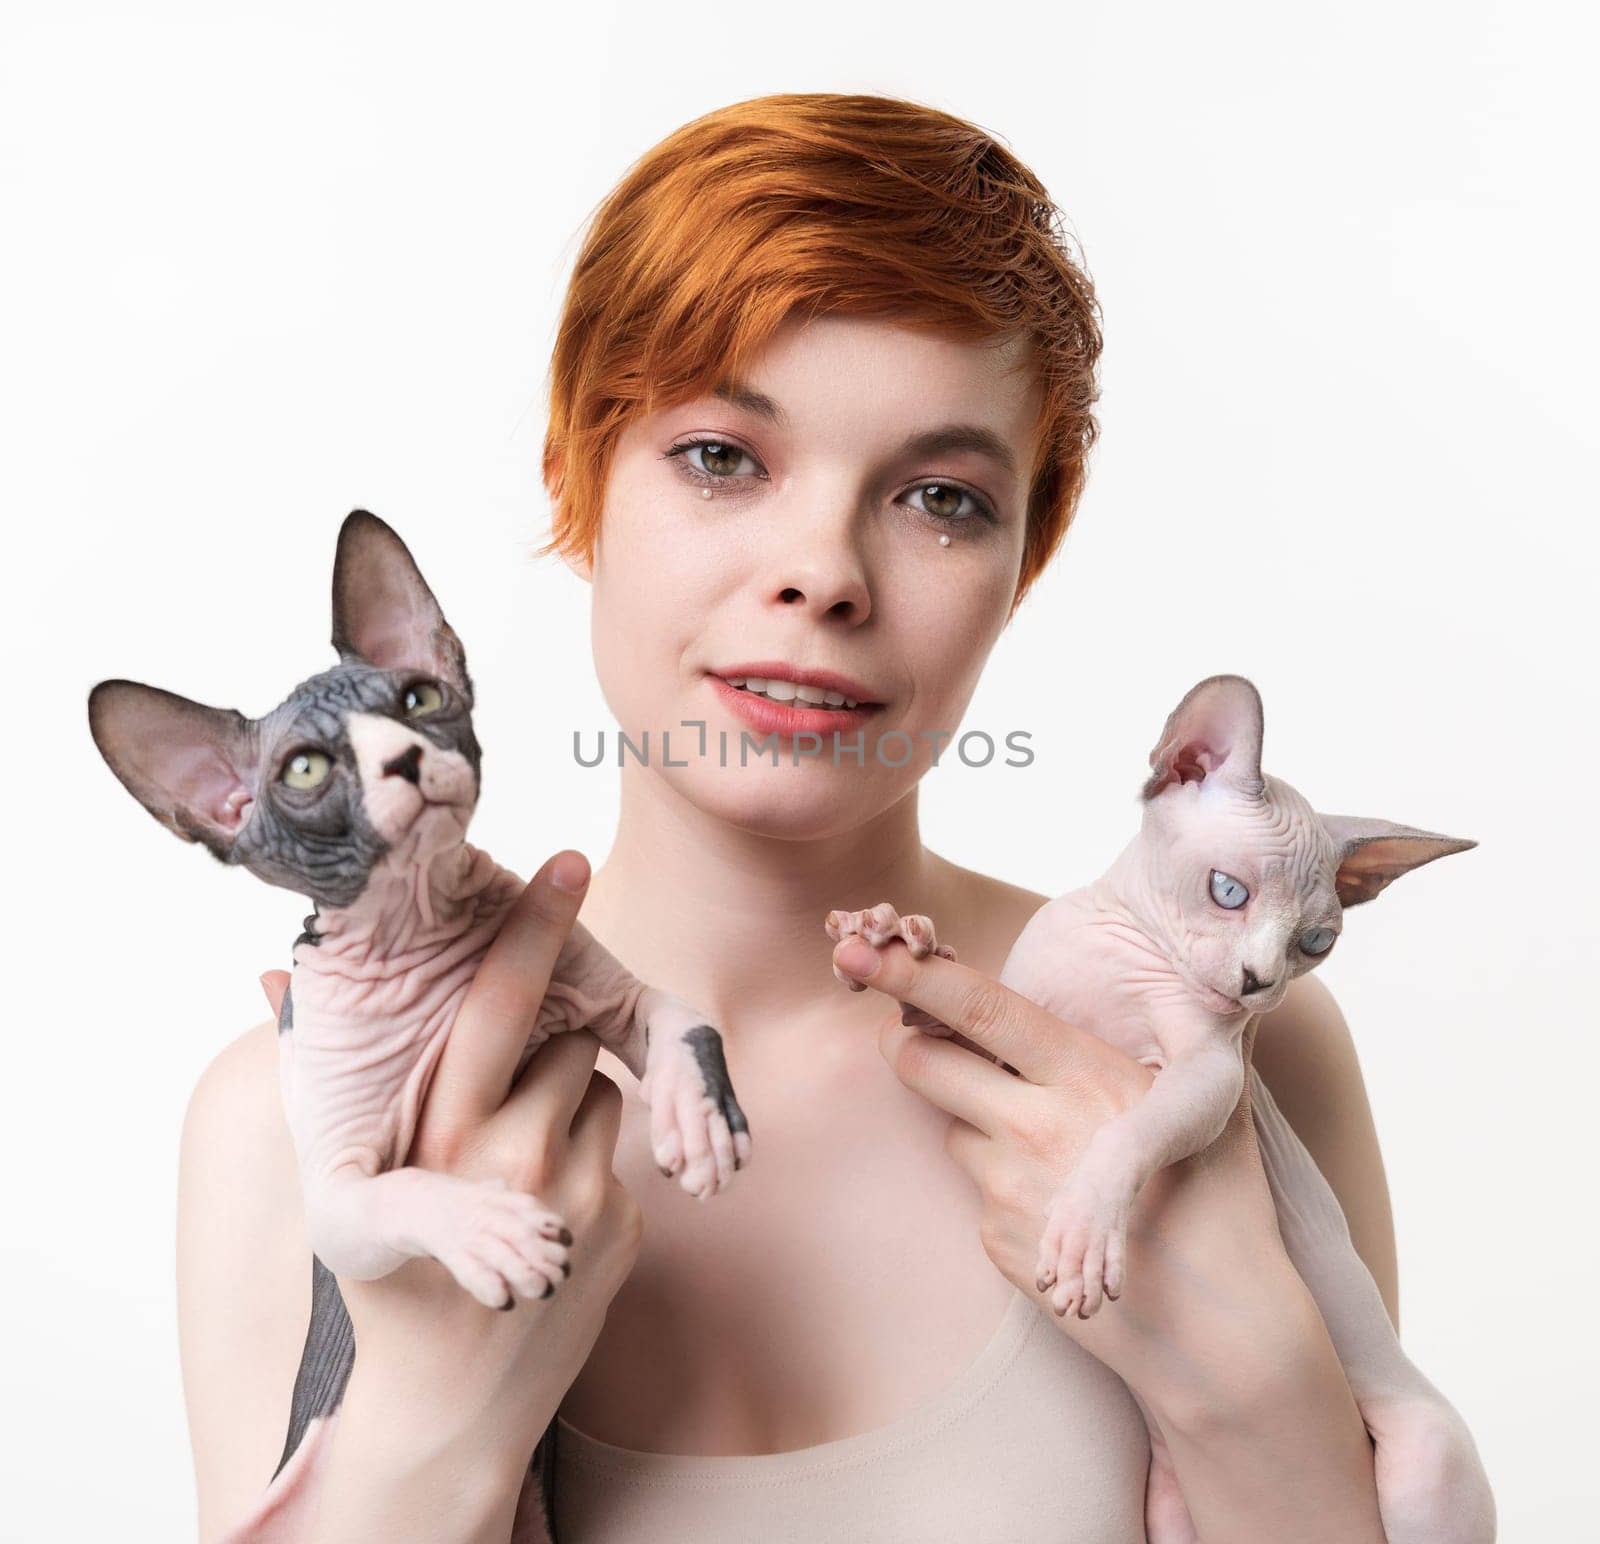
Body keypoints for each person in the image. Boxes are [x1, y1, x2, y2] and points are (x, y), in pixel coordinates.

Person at [179, 93, 1406, 1542]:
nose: (823, 570)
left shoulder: (1202, 1050)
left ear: (1029, 555)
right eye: (722, 457)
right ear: (574, 475)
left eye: (941, 496)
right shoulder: (290, 1131)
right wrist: (419, 1454)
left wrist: (1257, 1398)